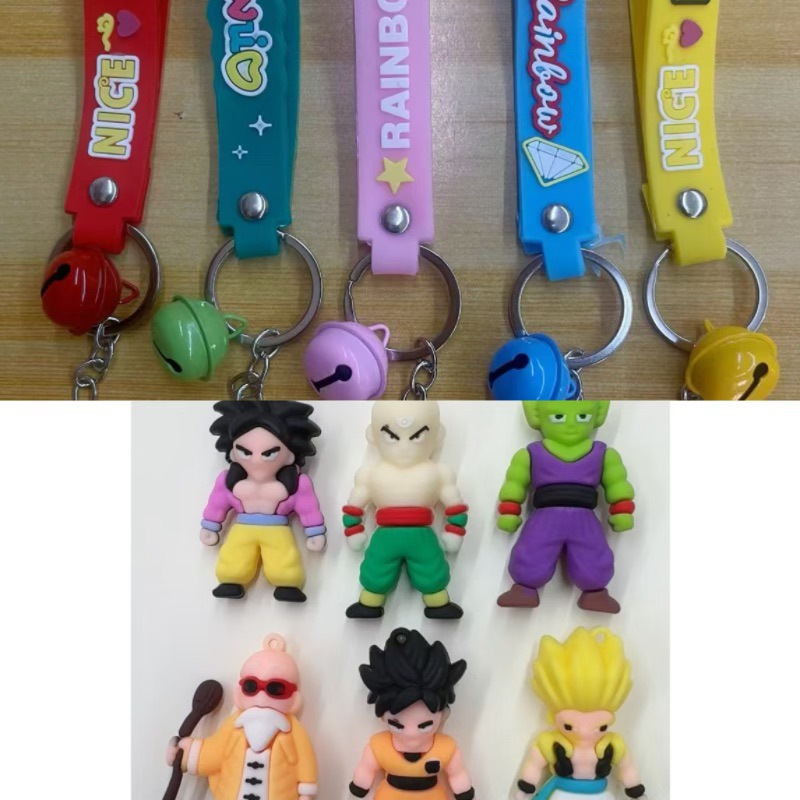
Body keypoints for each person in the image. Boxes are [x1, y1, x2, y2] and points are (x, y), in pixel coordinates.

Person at [496, 401, 635, 613]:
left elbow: (617, 483)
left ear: (599, 414)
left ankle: (595, 592)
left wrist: (622, 509)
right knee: (531, 552)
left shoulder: (603, 454)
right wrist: (509, 510)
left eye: (582, 417)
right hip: (545, 517)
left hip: (584, 518)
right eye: (558, 417)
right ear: (535, 415)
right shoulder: (530, 454)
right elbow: (515, 483)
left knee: (593, 554)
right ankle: (524, 588)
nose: (570, 424)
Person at [344, 401, 468, 619]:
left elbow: (455, 506)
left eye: (417, 436)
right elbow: (354, 507)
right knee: (376, 569)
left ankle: (438, 603)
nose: (404, 446)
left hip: (422, 535)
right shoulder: (370, 474)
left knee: (432, 568)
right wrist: (354, 531)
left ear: (437, 435)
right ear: (373, 436)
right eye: (391, 436)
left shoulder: (439, 473)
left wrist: (454, 532)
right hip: (385, 536)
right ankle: (369, 602)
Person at [167, 634, 318, 800]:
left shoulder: (294, 732)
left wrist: (306, 793)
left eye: (275, 689)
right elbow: (215, 752)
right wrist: (185, 754)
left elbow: (305, 763)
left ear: (294, 699)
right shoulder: (234, 726)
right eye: (251, 686)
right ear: (239, 693)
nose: (261, 696)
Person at [201, 401, 326, 601]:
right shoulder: (228, 481)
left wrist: (314, 531)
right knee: (234, 557)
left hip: (276, 530)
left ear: (289, 455)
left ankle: (287, 584)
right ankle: (230, 580)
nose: (257, 460)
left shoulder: (297, 484)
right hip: (243, 528)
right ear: (233, 452)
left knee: (283, 559)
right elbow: (217, 503)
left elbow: (308, 508)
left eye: (269, 453)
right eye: (246, 452)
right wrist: (210, 526)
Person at [515, 628, 646, 800]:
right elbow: (534, 765)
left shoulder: (613, 746)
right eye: (569, 726)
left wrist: (636, 791)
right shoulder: (551, 743)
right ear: (553, 717)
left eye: (601, 727)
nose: (584, 732)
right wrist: (525, 789)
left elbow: (627, 768)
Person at [350, 628, 475, 800]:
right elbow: (366, 768)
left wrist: (463, 789)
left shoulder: (446, 748)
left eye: (424, 725)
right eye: (397, 725)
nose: (411, 734)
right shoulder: (379, 746)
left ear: (443, 715)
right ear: (383, 717)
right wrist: (361, 783)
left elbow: (457, 773)